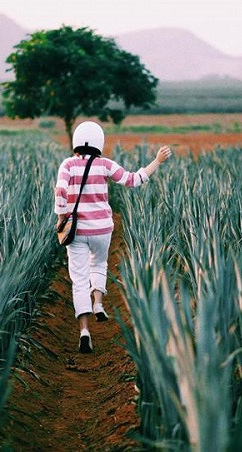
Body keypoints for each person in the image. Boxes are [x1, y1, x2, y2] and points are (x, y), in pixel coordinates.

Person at [54, 121, 172, 353]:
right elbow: (133, 180)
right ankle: (98, 302)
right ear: (99, 142)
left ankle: (84, 331)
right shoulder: (105, 165)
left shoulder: (68, 165)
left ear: (77, 141)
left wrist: (61, 218)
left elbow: (60, 192)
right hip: (102, 229)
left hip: (77, 231)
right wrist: (157, 161)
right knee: (98, 264)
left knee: (78, 280)